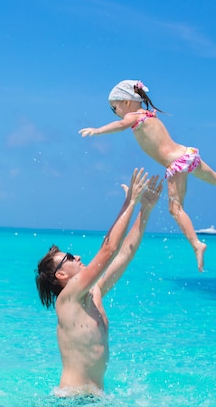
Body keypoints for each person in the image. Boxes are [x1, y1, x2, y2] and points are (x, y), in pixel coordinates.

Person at [79, 80, 216, 271]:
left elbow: (119, 126)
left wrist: (97, 131)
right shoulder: (149, 115)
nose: (115, 113)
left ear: (125, 101)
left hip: (176, 163)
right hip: (187, 154)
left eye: (114, 108)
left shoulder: (133, 117)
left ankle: (196, 244)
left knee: (175, 209)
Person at [36, 168, 163, 396]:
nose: (78, 257)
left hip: (97, 398)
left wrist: (145, 210)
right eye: (69, 258)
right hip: (71, 400)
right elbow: (109, 249)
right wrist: (130, 203)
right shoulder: (67, 300)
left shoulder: (93, 294)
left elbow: (123, 254)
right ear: (61, 275)